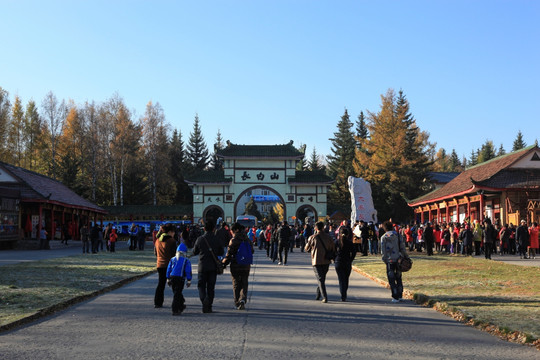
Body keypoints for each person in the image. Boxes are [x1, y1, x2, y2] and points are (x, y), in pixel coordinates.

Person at [192, 220, 223, 313]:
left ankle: (203, 300)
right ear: (214, 229)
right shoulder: (217, 239)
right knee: (211, 287)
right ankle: (209, 305)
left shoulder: (200, 239)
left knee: (201, 285)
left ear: (204, 228)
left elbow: (194, 252)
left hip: (202, 266)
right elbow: (221, 252)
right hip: (213, 267)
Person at [222, 222, 254, 310]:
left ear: (236, 230)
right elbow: (252, 251)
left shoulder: (233, 240)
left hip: (235, 265)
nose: (231, 232)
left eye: (232, 231)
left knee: (236, 283)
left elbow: (229, 254)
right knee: (244, 282)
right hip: (246, 265)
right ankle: (243, 299)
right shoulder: (247, 239)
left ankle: (237, 302)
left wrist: (223, 263)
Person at [305, 221, 336, 303]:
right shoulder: (329, 237)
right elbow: (333, 248)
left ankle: (324, 296)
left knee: (320, 279)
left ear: (315, 228)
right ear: (323, 228)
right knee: (322, 278)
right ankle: (318, 295)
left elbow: (306, 249)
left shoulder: (312, 237)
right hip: (326, 260)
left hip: (316, 260)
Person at [381, 220, 408, 302]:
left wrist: (384, 258)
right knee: (399, 277)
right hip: (399, 259)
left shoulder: (384, 237)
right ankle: (400, 294)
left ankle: (395, 295)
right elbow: (403, 247)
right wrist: (406, 256)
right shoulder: (398, 235)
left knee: (391, 278)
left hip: (390, 259)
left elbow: (383, 250)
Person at [154, 223, 177, 308]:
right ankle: (178, 300)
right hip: (170, 265)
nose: (174, 234)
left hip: (160, 264)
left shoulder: (157, 241)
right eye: (173, 232)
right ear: (170, 232)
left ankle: (158, 302)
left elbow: (155, 253)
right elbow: (174, 255)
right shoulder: (171, 241)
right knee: (175, 284)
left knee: (161, 283)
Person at [166, 243, 192, 316]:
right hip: (180, 278)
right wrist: (189, 280)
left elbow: (169, 269)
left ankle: (181, 305)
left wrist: (168, 278)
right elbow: (188, 271)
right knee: (177, 294)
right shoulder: (186, 260)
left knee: (176, 292)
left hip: (172, 277)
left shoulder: (172, 259)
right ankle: (175, 309)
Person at [334, 227, 357, 301]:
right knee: (346, 279)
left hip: (338, 261)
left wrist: (335, 258)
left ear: (339, 234)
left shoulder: (337, 242)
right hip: (347, 261)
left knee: (341, 279)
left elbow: (332, 251)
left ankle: (343, 294)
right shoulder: (349, 242)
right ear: (347, 235)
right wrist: (351, 259)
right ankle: (344, 292)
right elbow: (354, 252)